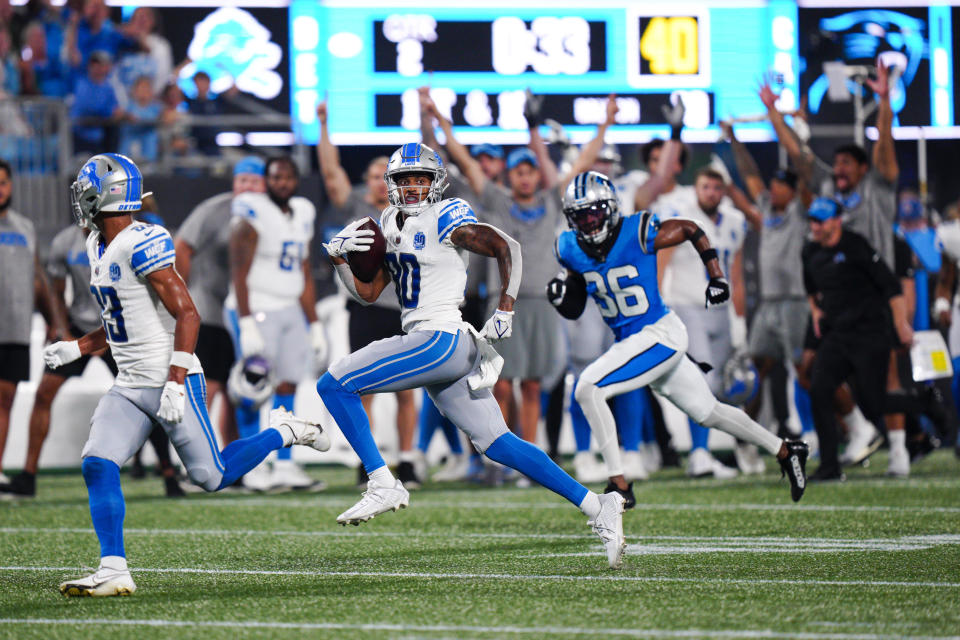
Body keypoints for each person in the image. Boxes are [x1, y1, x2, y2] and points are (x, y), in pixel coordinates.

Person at [308, 142, 627, 569]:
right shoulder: (388, 220)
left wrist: (505, 308)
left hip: (441, 337)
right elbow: (368, 295)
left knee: (334, 383)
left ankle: (383, 481)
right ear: (392, 185)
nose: (414, 187)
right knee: (498, 442)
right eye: (405, 179)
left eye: (421, 178)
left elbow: (507, 247)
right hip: (439, 345)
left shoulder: (445, 214)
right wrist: (339, 260)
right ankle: (596, 504)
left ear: (435, 182)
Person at [51, 153, 330, 596]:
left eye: (86, 193)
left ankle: (285, 432)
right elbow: (122, 317)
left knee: (211, 477)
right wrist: (79, 347)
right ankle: (113, 568)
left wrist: (178, 380)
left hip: (170, 378)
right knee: (97, 463)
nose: (79, 201)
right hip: (129, 384)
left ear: (107, 196)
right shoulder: (95, 244)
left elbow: (189, 314)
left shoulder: (141, 241)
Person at [548, 170, 809, 504]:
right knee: (708, 411)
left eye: (595, 212)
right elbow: (576, 305)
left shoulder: (636, 230)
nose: (589, 222)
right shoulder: (569, 248)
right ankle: (786, 450)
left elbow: (690, 228)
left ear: (610, 208)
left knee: (588, 387)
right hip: (636, 341)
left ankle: (619, 486)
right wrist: (561, 296)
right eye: (580, 216)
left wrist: (716, 276)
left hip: (659, 333)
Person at [424, 94, 615, 461]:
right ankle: (501, 454)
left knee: (532, 384)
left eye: (530, 170)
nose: (525, 177)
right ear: (511, 176)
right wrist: (440, 120)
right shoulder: (497, 200)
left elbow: (584, 163)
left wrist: (605, 123)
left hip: (542, 303)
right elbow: (465, 160)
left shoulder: (549, 200)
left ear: (535, 175)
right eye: (519, 171)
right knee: (501, 384)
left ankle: (527, 456)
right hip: (505, 304)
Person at [0, 218, 182, 499]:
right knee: (43, 394)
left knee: (148, 400)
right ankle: (28, 475)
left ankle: (169, 473)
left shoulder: (131, 239)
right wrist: (65, 334)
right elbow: (57, 293)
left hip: (123, 331)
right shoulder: (65, 242)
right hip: (82, 330)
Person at [316, 101, 420, 487]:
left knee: (408, 389)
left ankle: (407, 459)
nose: (380, 182)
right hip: (364, 306)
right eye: (374, 175)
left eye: (385, 175)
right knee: (363, 387)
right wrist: (324, 124)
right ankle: (370, 461)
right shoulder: (358, 206)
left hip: (404, 307)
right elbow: (330, 172)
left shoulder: (410, 212)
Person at [226, 156, 328, 491]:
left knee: (287, 386)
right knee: (253, 389)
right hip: (256, 307)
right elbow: (238, 270)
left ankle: (285, 465)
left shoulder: (303, 211)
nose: (282, 182)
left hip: (289, 309)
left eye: (287, 177)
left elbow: (304, 271)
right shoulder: (252, 210)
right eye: (276, 177)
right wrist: (246, 321)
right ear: (267, 180)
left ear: (296, 180)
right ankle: (252, 466)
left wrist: (313, 323)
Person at [802, 197, 913, 481]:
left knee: (873, 403)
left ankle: (926, 404)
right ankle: (829, 466)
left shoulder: (856, 245)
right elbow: (812, 289)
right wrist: (816, 312)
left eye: (820, 220)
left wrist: (901, 324)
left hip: (869, 333)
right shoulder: (810, 251)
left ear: (836, 221)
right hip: (837, 334)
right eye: (812, 220)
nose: (814, 226)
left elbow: (890, 285)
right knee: (819, 389)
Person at [656, 167, 746, 478]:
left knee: (719, 382)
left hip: (720, 310)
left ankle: (706, 452)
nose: (711, 192)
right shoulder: (682, 218)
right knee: (704, 380)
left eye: (716, 187)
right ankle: (699, 453)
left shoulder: (735, 222)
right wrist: (658, 306)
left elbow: (735, 275)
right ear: (696, 188)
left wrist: (739, 317)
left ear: (724, 191)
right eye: (705, 186)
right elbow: (661, 262)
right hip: (687, 304)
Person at [174, 156, 266, 446]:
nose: (247, 186)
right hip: (211, 312)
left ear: (264, 185)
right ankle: (193, 456)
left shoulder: (269, 214)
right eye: (242, 180)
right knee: (208, 386)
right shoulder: (215, 210)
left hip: (248, 316)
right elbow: (182, 247)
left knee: (239, 393)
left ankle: (233, 461)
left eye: (253, 181)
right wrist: (183, 299)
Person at [0, 159, 66, 484]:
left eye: (3, 183)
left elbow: (38, 279)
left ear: (11, 186)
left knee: (6, 398)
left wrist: (52, 321)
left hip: (15, 329)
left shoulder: (25, 228)